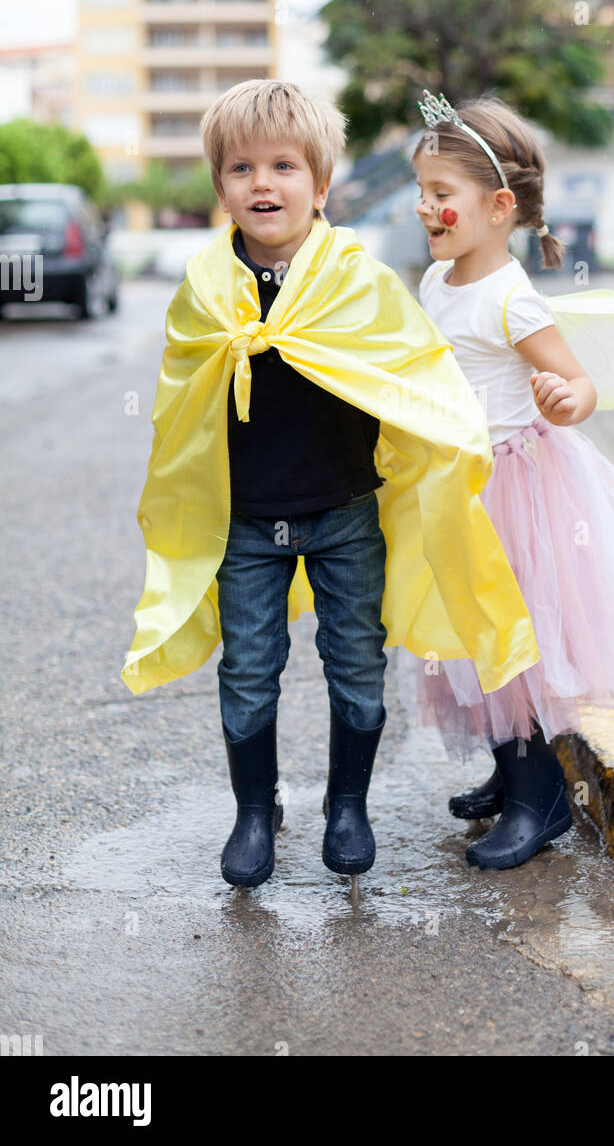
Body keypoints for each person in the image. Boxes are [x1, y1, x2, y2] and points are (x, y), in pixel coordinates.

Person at [121, 79, 541, 890]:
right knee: (248, 669)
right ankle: (254, 812)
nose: (262, 184)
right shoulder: (206, 290)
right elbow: (181, 403)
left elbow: (415, 377)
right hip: (246, 522)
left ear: (321, 187)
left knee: (356, 663)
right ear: (220, 188)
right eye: (241, 169)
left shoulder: (361, 281)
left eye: (284, 166)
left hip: (345, 513)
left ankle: (347, 805)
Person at [399, 89, 614, 871]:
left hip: (516, 495)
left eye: (441, 195)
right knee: (474, 638)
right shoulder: (438, 284)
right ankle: (509, 775)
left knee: (515, 648)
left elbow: (578, 382)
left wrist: (568, 399)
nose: (425, 208)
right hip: (458, 485)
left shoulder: (511, 300)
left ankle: (544, 801)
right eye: (422, 193)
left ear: (499, 206)